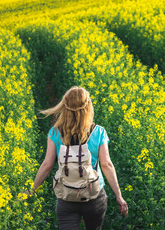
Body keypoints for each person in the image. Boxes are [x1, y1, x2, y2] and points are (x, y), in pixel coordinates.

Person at [26, 86, 128, 230]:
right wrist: (119, 196)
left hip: (66, 194)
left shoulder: (55, 132)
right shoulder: (98, 132)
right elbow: (106, 165)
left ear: (65, 106)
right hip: (94, 194)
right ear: (88, 107)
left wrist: (32, 190)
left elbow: (47, 165)